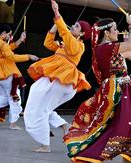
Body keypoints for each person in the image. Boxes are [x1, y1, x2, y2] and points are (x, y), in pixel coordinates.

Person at [63, 16, 131, 163]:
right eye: (114, 29)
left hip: (123, 88)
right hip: (117, 90)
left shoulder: (106, 49)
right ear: (106, 33)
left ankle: (129, 157)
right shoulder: (105, 48)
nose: (117, 31)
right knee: (122, 124)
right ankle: (97, 154)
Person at [24, 0, 92, 153]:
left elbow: (67, 37)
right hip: (58, 81)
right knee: (43, 106)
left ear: (81, 34)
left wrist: (57, 14)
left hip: (63, 81)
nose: (72, 26)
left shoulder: (79, 46)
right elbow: (48, 43)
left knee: (40, 107)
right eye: (73, 25)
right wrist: (56, 24)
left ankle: (45, 145)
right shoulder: (65, 44)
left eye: (76, 26)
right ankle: (64, 126)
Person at [0, 22, 39, 130]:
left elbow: (8, 48)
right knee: (15, 97)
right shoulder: (2, 44)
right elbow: (12, 57)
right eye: (9, 34)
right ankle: (13, 123)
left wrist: (20, 40)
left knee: (5, 97)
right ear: (4, 33)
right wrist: (28, 56)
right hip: (5, 73)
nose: (9, 36)